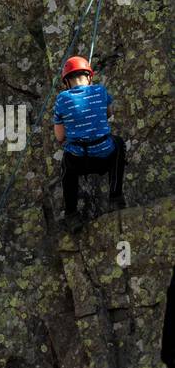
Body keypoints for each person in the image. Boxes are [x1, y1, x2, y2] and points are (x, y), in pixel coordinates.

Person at [53, 56, 126, 234]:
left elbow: (60, 137)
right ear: (89, 76)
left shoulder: (62, 99)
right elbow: (109, 113)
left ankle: (71, 215)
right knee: (118, 143)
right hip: (103, 156)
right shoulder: (100, 91)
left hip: (79, 160)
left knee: (66, 165)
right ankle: (115, 197)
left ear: (67, 82)